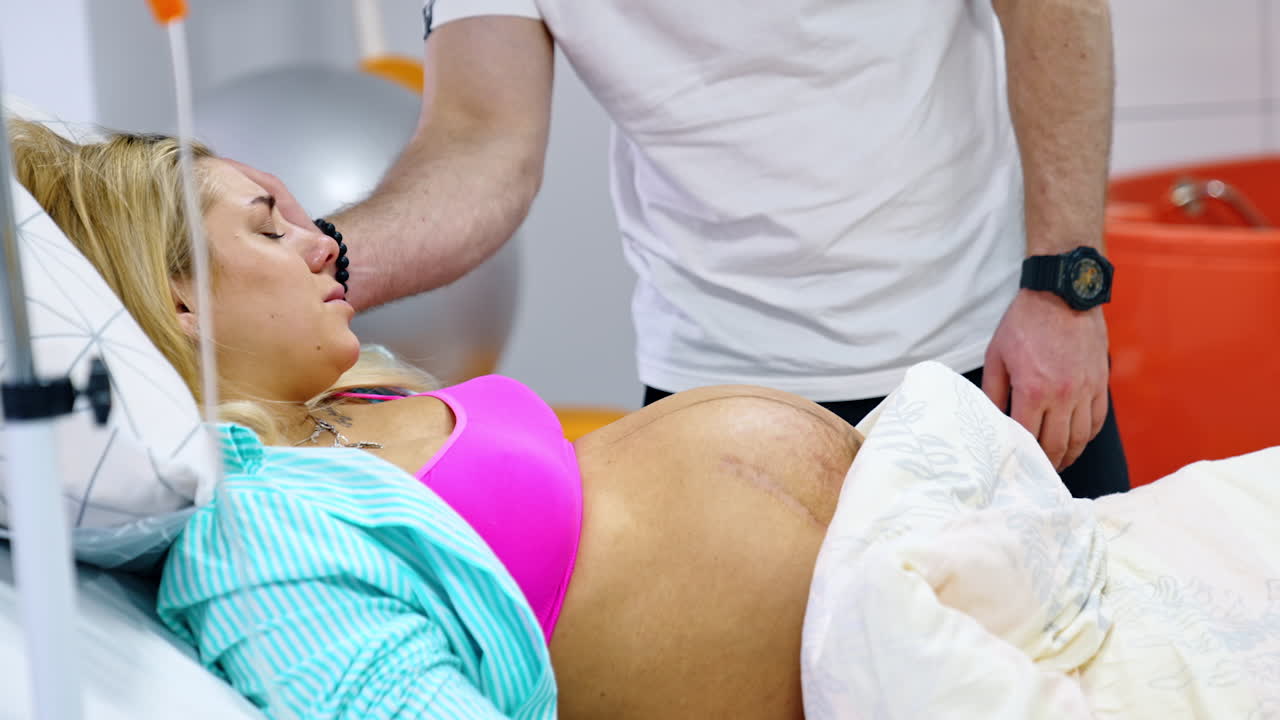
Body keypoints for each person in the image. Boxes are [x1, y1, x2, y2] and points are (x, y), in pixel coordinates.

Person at [12, 120, 1280, 719]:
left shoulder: (354, 411)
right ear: (173, 297)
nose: (320, 240)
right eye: (267, 222)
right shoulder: (260, 539)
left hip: (951, 562)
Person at [276, 0, 1130, 498]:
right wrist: (313, 265)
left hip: (986, 361)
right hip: (715, 398)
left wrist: (1065, 289)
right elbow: (480, 142)